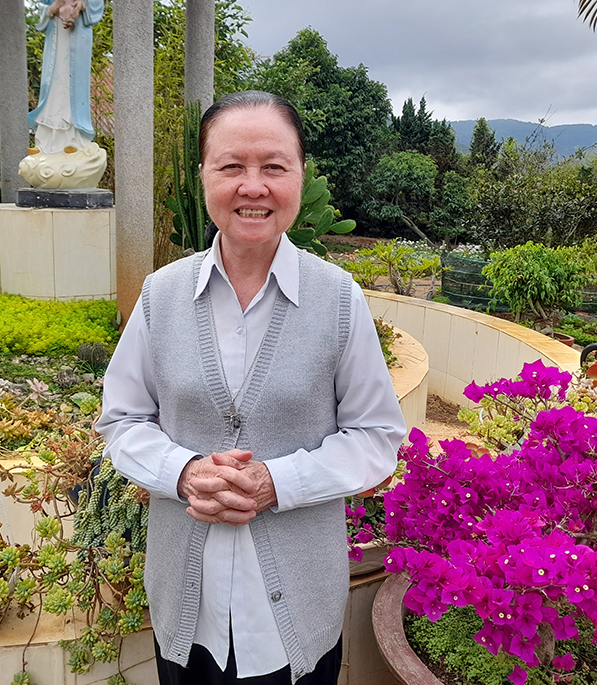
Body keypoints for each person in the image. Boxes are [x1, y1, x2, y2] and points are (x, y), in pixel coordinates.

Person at [96, 91, 406, 685]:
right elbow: (123, 418)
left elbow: (375, 436)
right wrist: (184, 472)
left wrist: (277, 483)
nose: (252, 186)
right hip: (190, 610)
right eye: (231, 166)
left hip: (297, 614)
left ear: (300, 175)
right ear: (204, 177)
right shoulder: (161, 295)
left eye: (273, 166)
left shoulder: (338, 299)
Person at [27, 0, 104, 155]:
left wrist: (83, 4)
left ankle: (73, 142)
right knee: (52, 85)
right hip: (55, 34)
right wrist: (50, 9)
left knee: (72, 88)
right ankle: (44, 142)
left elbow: (97, 5)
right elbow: (38, 7)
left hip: (78, 34)